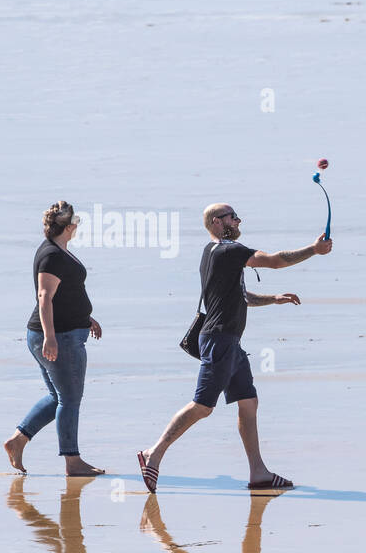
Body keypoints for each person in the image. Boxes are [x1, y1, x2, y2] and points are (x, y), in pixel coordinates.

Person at [137, 204, 331, 492]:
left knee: (248, 402)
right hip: (219, 340)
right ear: (216, 222)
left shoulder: (211, 252)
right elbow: (275, 260)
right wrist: (313, 250)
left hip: (230, 342)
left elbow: (240, 296)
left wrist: (272, 299)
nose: (238, 219)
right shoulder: (230, 250)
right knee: (202, 406)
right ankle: (154, 452)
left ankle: (258, 472)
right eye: (232, 216)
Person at [4, 201, 105, 476]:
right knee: (70, 400)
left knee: (58, 396)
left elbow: (67, 293)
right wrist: (50, 338)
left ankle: (18, 440)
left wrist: (87, 318)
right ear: (69, 226)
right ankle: (72, 461)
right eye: (76, 223)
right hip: (58, 337)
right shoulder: (51, 255)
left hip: (64, 333)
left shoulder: (59, 251)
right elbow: (45, 297)